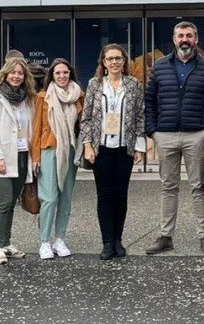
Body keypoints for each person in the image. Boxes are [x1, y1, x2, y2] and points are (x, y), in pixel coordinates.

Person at [144, 21, 204, 256]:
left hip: (196, 135)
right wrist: (153, 132)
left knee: (199, 186)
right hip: (165, 135)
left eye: (189, 35)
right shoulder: (160, 66)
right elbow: (150, 101)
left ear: (196, 39)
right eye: (180, 36)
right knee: (168, 187)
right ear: (174, 39)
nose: (184, 39)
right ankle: (166, 236)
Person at [80, 43, 146, 260]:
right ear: (104, 62)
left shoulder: (134, 84)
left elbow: (139, 117)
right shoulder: (95, 84)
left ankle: (118, 239)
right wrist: (88, 145)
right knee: (104, 195)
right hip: (102, 149)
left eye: (118, 58)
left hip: (124, 148)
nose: (115, 62)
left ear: (124, 61)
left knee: (121, 194)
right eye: (110, 59)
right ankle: (107, 241)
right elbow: (87, 118)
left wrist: (139, 147)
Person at [0, 57, 37, 265]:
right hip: (3, 157)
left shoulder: (27, 99)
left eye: (20, 73)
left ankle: (6, 243)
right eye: (13, 73)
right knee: (4, 201)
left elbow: (30, 129)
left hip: (22, 156)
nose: (16, 76)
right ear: (5, 75)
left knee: (12, 203)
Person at [30, 58, 84, 259]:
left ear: (71, 74)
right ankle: (44, 241)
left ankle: (59, 238)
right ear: (51, 75)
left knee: (66, 197)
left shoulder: (79, 96)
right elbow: (35, 129)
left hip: (70, 150)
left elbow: (83, 125)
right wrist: (34, 157)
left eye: (65, 72)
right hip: (49, 150)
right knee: (49, 198)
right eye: (58, 73)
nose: (62, 76)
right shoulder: (43, 97)